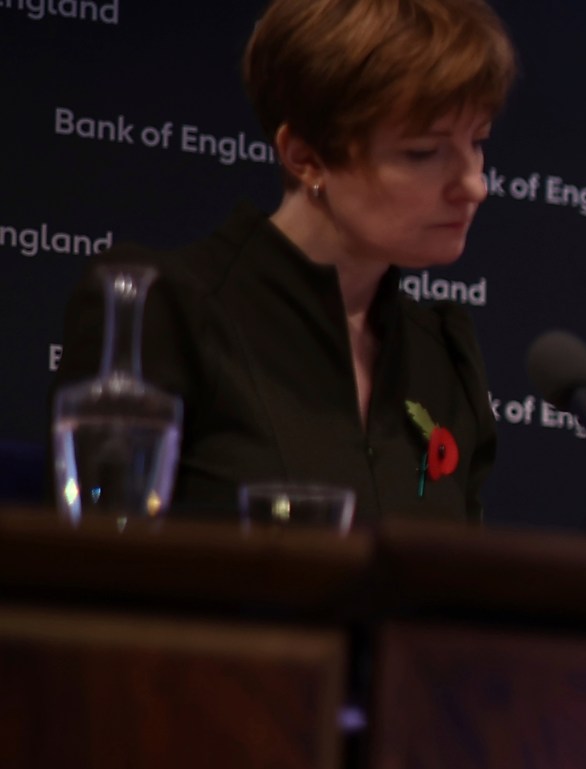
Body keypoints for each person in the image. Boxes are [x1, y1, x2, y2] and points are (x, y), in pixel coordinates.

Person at [56, 0, 515, 524]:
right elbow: (102, 561)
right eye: (423, 152)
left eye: (477, 144)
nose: (474, 185)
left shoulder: (444, 354)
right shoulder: (161, 310)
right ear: (305, 156)